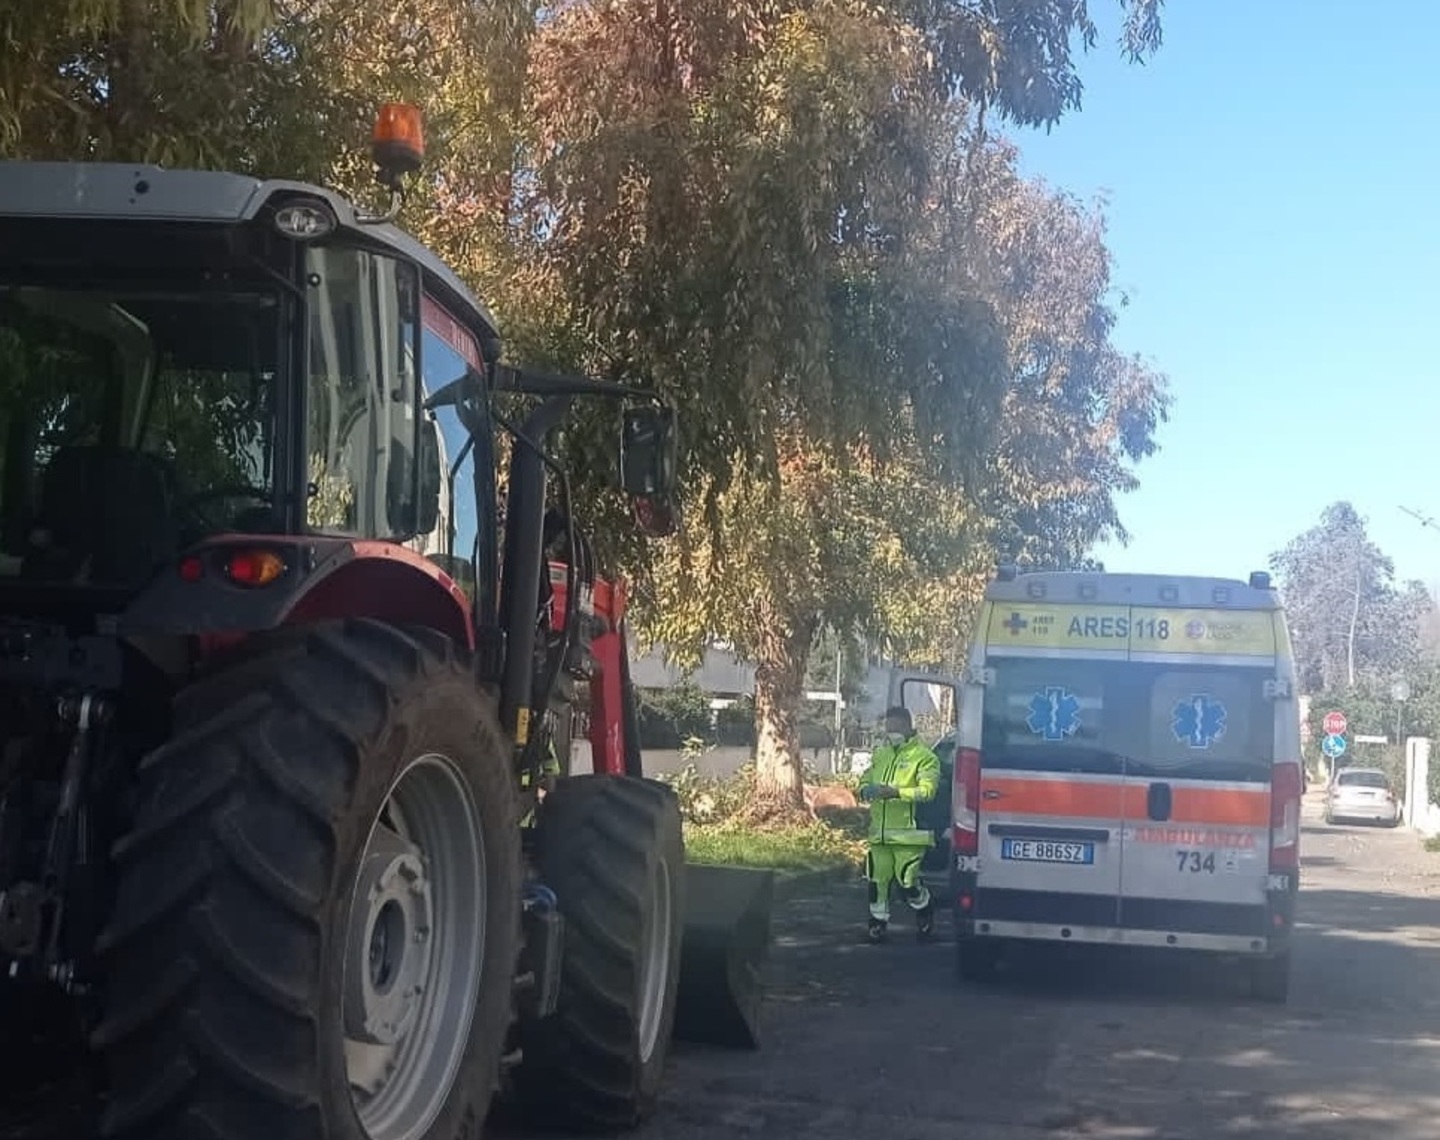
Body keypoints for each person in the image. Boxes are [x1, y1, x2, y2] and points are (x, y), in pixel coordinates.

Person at [857, 706, 942, 943]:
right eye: (888, 727)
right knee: (877, 880)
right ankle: (877, 923)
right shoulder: (881, 754)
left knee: (907, 883)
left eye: (896, 727)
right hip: (880, 834)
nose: (891, 731)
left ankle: (924, 907)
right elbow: (866, 778)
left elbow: (927, 792)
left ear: (908, 726)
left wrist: (896, 792)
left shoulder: (924, 757)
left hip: (908, 834)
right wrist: (864, 789)